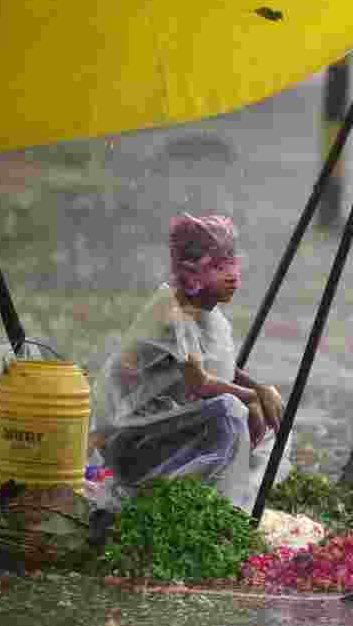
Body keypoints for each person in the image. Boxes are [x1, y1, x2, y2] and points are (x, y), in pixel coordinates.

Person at [87, 213, 287, 514]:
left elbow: (221, 367)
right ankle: (206, 507)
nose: (233, 276)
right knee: (231, 410)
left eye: (233, 265)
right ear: (193, 273)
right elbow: (200, 382)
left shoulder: (205, 311)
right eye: (219, 268)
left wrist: (260, 390)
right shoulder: (172, 312)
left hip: (166, 422)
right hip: (131, 440)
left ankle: (235, 504)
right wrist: (249, 397)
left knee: (274, 419)